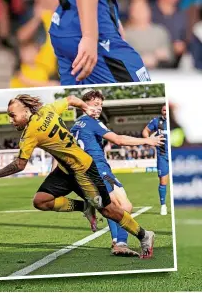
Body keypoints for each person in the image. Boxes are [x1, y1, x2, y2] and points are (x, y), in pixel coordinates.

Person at [0, 94, 159, 258]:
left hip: (84, 170)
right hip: (65, 170)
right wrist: (84, 106)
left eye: (12, 115)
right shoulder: (48, 110)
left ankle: (144, 235)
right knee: (41, 200)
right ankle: (84, 206)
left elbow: (19, 164)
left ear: (25, 111)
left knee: (108, 209)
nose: (10, 120)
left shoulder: (30, 133)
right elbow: (71, 99)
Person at [70, 89, 163, 256]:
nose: (98, 108)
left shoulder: (76, 125)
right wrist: (147, 140)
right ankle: (121, 243)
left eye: (101, 105)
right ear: (84, 105)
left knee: (112, 206)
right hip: (98, 170)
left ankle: (117, 240)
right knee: (124, 206)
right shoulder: (92, 122)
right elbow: (119, 139)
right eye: (95, 104)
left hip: (85, 171)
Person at [142, 105, 169, 216]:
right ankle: (163, 205)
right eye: (164, 110)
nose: (166, 112)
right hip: (162, 155)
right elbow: (145, 131)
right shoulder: (156, 121)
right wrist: (150, 141)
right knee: (163, 182)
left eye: (167, 109)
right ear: (161, 111)